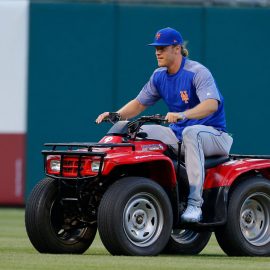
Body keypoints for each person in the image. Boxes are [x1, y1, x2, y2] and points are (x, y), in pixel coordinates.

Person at [96, 27, 233, 223]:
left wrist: (182, 115)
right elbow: (139, 104)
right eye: (156, 48)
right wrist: (116, 114)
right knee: (140, 131)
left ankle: (195, 204)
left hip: (215, 136)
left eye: (162, 47)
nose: (157, 52)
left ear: (177, 48)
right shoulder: (159, 76)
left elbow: (212, 105)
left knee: (191, 132)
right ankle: (154, 189)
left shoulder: (197, 72)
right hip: (179, 136)